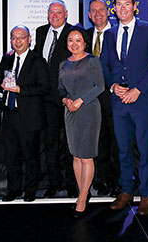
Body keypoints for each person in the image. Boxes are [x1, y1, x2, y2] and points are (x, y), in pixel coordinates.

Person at [100, 0, 148, 216]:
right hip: (118, 102)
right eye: (118, 5)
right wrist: (112, 86)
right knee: (123, 150)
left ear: (134, 6)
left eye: (126, 4)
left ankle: (146, 195)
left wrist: (138, 89)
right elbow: (104, 66)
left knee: (145, 150)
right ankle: (126, 191)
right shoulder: (110, 34)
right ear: (114, 8)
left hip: (142, 101)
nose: (122, 8)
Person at [0, 25, 50, 202]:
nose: (17, 41)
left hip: (29, 116)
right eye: (14, 37)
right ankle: (13, 189)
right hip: (10, 114)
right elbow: (0, 79)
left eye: (21, 37)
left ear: (29, 39)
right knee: (11, 156)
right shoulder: (6, 59)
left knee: (31, 156)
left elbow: (44, 87)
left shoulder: (38, 61)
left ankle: (30, 190)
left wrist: (21, 89)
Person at [58, 26, 104, 217]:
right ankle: (81, 192)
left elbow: (100, 86)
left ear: (85, 42)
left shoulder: (92, 61)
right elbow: (60, 89)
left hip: (88, 110)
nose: (74, 44)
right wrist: (66, 100)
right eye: (70, 40)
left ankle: (83, 198)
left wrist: (80, 100)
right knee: (76, 155)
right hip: (70, 111)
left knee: (86, 156)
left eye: (78, 40)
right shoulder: (63, 64)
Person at [34, 0, 76, 198]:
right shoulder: (41, 31)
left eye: (58, 12)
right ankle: (53, 182)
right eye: (51, 12)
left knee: (70, 144)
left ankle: (71, 184)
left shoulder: (74, 33)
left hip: (68, 97)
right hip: (47, 99)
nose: (55, 16)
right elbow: (36, 58)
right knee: (50, 142)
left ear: (66, 13)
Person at [85, 0, 119, 196]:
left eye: (101, 10)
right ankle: (100, 180)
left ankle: (116, 182)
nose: (97, 14)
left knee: (116, 142)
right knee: (97, 141)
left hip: (113, 96)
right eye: (93, 11)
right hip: (91, 98)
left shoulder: (118, 34)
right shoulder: (85, 35)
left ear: (108, 12)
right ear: (89, 15)